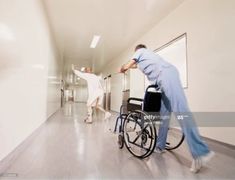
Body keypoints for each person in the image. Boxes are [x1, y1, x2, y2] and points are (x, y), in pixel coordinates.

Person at [118, 44, 215, 173]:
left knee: (181, 111)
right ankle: (160, 146)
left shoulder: (141, 51)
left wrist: (123, 68)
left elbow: (131, 63)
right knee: (164, 114)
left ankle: (200, 152)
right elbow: (135, 66)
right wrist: (127, 68)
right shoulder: (145, 59)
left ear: (138, 50)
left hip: (166, 75)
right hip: (161, 82)